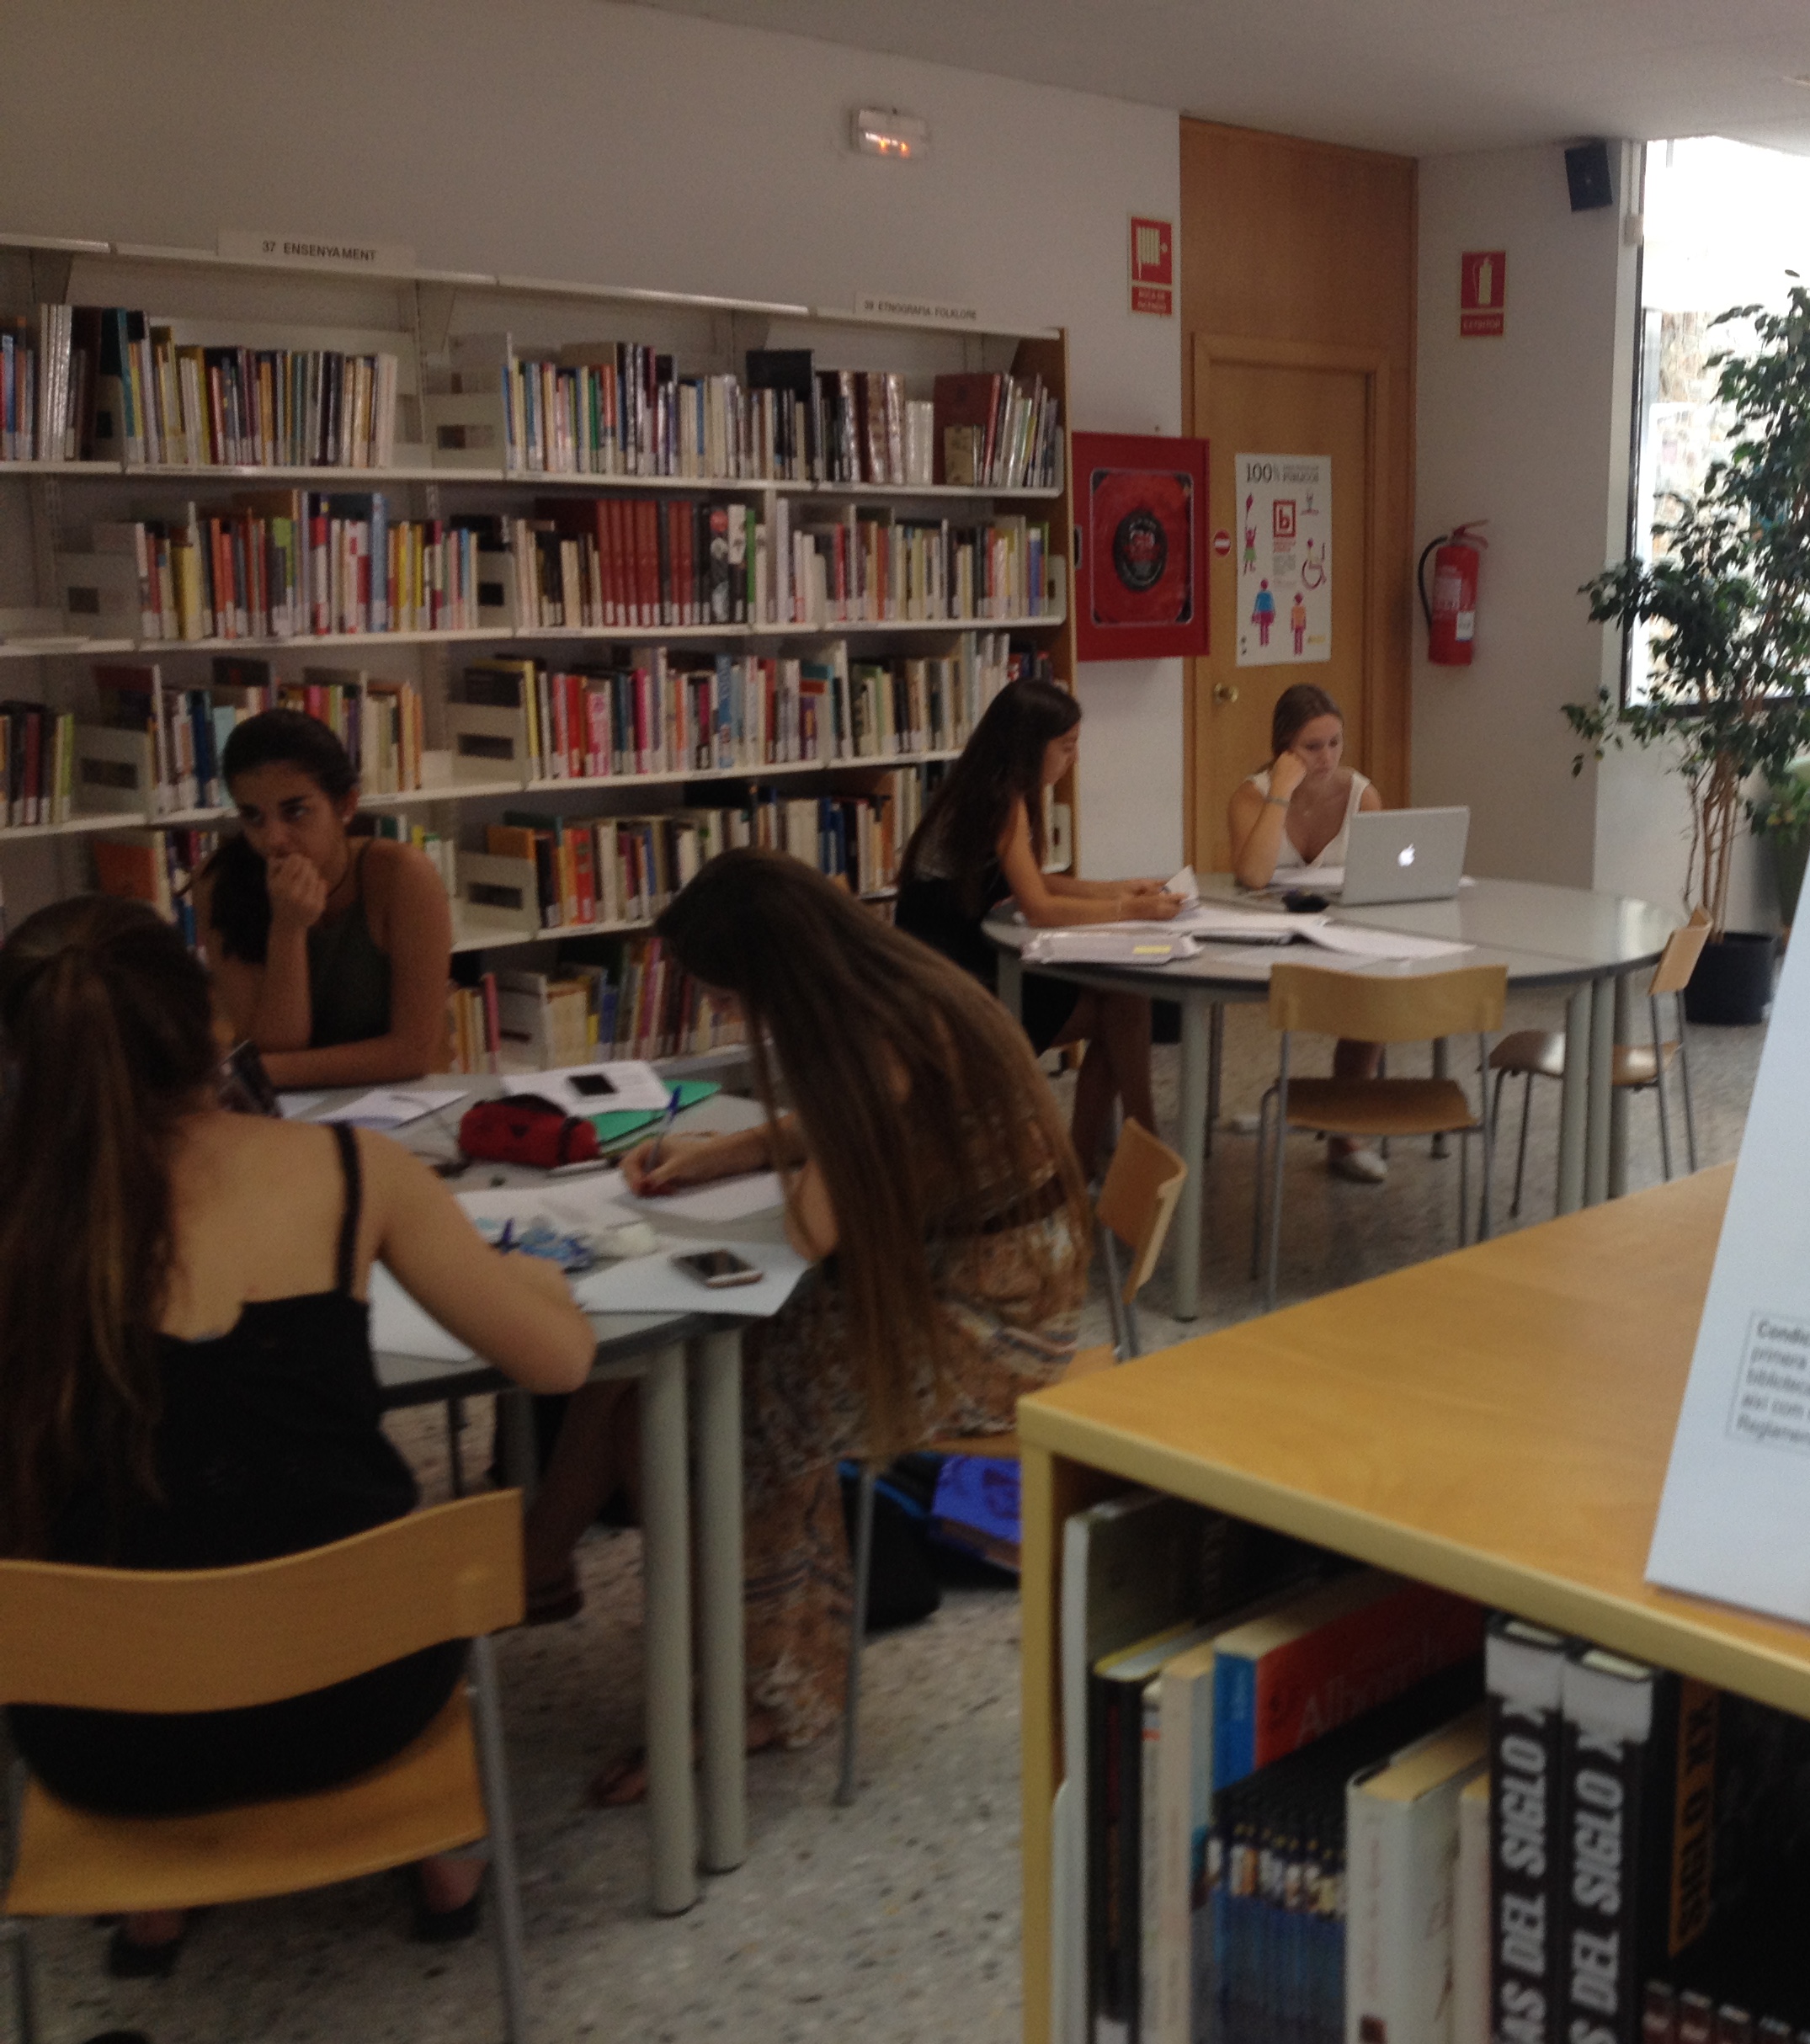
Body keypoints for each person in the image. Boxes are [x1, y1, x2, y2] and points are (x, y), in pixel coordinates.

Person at [0, 896, 594, 1972]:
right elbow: (559, 1364)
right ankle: (445, 1861)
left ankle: (154, 1896)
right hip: (358, 1705)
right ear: (212, 1025)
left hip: (103, 1740)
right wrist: (534, 1280)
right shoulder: (351, 1174)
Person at [520, 851, 1086, 1795]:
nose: (737, 1017)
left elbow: (813, 1227)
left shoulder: (874, 1032)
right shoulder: (892, 984)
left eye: (733, 996)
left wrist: (762, 1165)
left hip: (995, 1317)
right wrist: (719, 1156)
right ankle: (543, 1568)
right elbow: (850, 1139)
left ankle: (772, 1691)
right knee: (645, 1372)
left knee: (727, 1403)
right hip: (975, 1266)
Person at [895, 676, 1178, 1175]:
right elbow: (1041, 908)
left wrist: (1116, 889)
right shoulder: (1000, 802)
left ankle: (1102, 1155)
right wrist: (1129, 911)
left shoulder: (986, 787)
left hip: (961, 969)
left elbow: (1034, 881)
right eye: (1066, 747)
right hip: (961, 993)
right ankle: (1127, 1147)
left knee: (1124, 1001)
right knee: (1124, 1005)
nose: (1073, 759)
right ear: (1029, 746)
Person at [199, 708, 455, 1088]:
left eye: (296, 812)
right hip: (284, 1113)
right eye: (253, 817)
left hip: (398, 1103)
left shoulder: (402, 877)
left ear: (346, 805)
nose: (273, 839)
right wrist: (287, 929)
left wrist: (255, 1072)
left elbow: (411, 1053)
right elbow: (275, 1045)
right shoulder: (221, 882)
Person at [1227, 683, 1392, 1183]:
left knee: (1375, 994)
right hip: (1270, 932)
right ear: (1284, 748)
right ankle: (1305, 1110)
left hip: (1342, 928)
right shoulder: (1251, 795)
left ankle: (1342, 1133)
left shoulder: (1363, 795)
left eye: (1335, 743)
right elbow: (1253, 875)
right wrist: (1282, 790)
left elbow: (1379, 877)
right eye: (1311, 746)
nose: (1326, 757)